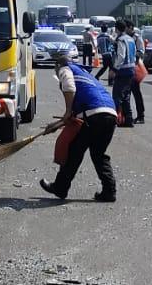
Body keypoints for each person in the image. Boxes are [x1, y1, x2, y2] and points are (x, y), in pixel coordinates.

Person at [39, 53, 118, 202]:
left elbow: (69, 86)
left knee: (74, 152)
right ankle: (109, 191)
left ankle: (60, 188)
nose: (57, 74)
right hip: (110, 115)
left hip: (93, 115)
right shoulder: (86, 75)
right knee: (99, 154)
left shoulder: (65, 68)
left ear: (57, 66)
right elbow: (74, 117)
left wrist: (68, 111)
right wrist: (56, 125)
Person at [111, 21, 137, 127]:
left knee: (116, 95)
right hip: (131, 69)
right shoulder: (130, 39)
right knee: (126, 95)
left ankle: (117, 119)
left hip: (123, 71)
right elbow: (134, 54)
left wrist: (114, 69)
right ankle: (128, 119)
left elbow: (121, 56)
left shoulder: (121, 40)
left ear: (117, 29)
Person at [125, 21, 146, 125]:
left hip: (134, 68)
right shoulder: (124, 37)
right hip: (126, 69)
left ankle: (141, 115)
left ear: (130, 27)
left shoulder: (136, 38)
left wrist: (132, 55)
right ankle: (127, 116)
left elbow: (141, 52)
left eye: (126, 27)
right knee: (126, 93)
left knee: (136, 92)